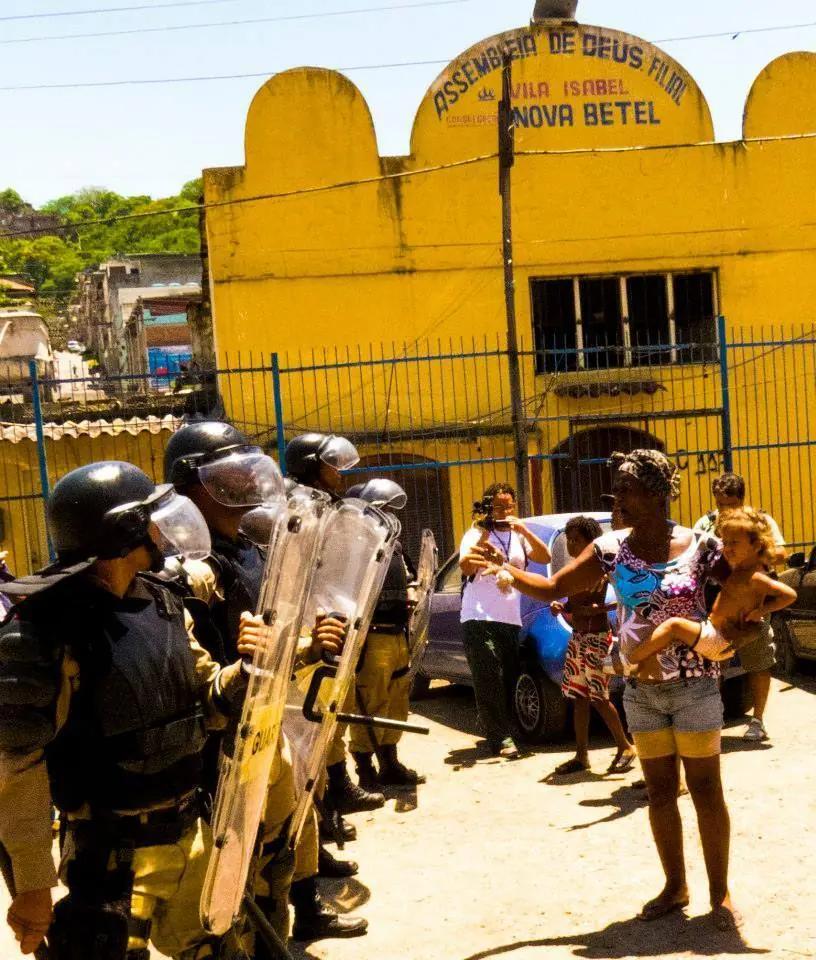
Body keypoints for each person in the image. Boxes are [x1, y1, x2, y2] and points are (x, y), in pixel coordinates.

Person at [0, 461, 252, 959]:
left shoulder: (162, 603)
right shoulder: (45, 633)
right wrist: (34, 883)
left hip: (191, 834)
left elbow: (209, 702)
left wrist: (252, 667)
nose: (163, 530)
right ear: (125, 531)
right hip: (110, 856)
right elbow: (18, 768)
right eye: (151, 519)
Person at [480, 451, 740, 931]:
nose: (617, 499)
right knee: (660, 793)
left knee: (706, 791)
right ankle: (675, 885)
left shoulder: (701, 545)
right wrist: (505, 568)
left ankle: (720, 894)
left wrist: (724, 634)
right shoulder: (610, 549)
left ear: (659, 493)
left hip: (696, 689)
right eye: (615, 490)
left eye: (626, 489)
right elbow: (554, 584)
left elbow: (742, 588)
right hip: (640, 690)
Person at [164, 422, 367, 946]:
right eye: (226, 469)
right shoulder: (186, 568)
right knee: (233, 868)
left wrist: (310, 647)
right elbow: (197, 670)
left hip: (266, 722)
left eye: (242, 464)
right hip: (220, 738)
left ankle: (277, 939)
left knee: (277, 848)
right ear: (194, 483)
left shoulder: (249, 549)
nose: (243, 476)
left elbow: (271, 637)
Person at [284, 432, 387, 818]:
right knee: (307, 717)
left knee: (329, 711)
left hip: (335, 621)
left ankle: (334, 791)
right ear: (312, 464)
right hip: (308, 628)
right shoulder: (297, 507)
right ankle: (318, 807)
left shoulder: (331, 506)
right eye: (332, 464)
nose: (340, 472)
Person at [632, 507, 796, 668]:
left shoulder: (755, 578)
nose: (728, 548)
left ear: (756, 546)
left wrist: (761, 611)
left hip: (718, 639)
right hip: (714, 632)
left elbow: (789, 595)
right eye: (725, 542)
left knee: (673, 626)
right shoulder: (738, 570)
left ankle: (630, 659)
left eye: (734, 542)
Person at [458, 482, 552, 759]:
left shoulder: (518, 536)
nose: (504, 511)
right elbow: (465, 565)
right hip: (478, 616)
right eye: (498, 507)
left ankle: (497, 727)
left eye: (508, 506)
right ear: (488, 508)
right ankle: (501, 738)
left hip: (510, 618)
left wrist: (523, 529)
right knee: (489, 676)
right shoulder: (475, 533)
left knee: (508, 677)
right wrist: (484, 533)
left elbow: (544, 556)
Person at [694, 472, 786, 743]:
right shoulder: (706, 523)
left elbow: (780, 553)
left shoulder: (759, 522)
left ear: (741, 500)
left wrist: (748, 555)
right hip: (718, 605)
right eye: (720, 504)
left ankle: (757, 721)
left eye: (730, 504)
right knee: (712, 662)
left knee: (758, 661)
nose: (725, 510)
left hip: (752, 606)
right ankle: (713, 719)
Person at [345, 479, 424, 788]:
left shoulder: (394, 545)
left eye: (388, 508)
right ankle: (365, 769)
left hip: (398, 633)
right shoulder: (356, 546)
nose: (387, 513)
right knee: (370, 701)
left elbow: (412, 579)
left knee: (396, 702)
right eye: (381, 508)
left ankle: (390, 762)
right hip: (373, 636)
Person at [552, 516, 636, 776]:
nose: (572, 545)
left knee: (599, 698)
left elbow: (615, 600)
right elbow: (574, 603)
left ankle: (625, 747)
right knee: (578, 697)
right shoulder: (575, 568)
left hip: (596, 639)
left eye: (578, 540)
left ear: (591, 542)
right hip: (578, 638)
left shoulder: (596, 568)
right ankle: (581, 755)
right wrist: (563, 607)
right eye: (570, 540)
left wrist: (598, 609)